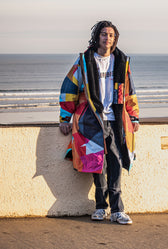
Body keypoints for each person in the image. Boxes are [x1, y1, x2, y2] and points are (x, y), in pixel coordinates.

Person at [59, 20, 139, 225]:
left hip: (115, 119)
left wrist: (133, 115)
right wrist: (65, 118)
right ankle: (100, 207)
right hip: (91, 119)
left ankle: (117, 210)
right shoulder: (85, 62)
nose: (107, 38)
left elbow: (129, 91)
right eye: (104, 34)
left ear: (115, 39)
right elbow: (69, 88)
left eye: (111, 35)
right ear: (97, 37)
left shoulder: (121, 62)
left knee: (115, 161)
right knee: (96, 163)